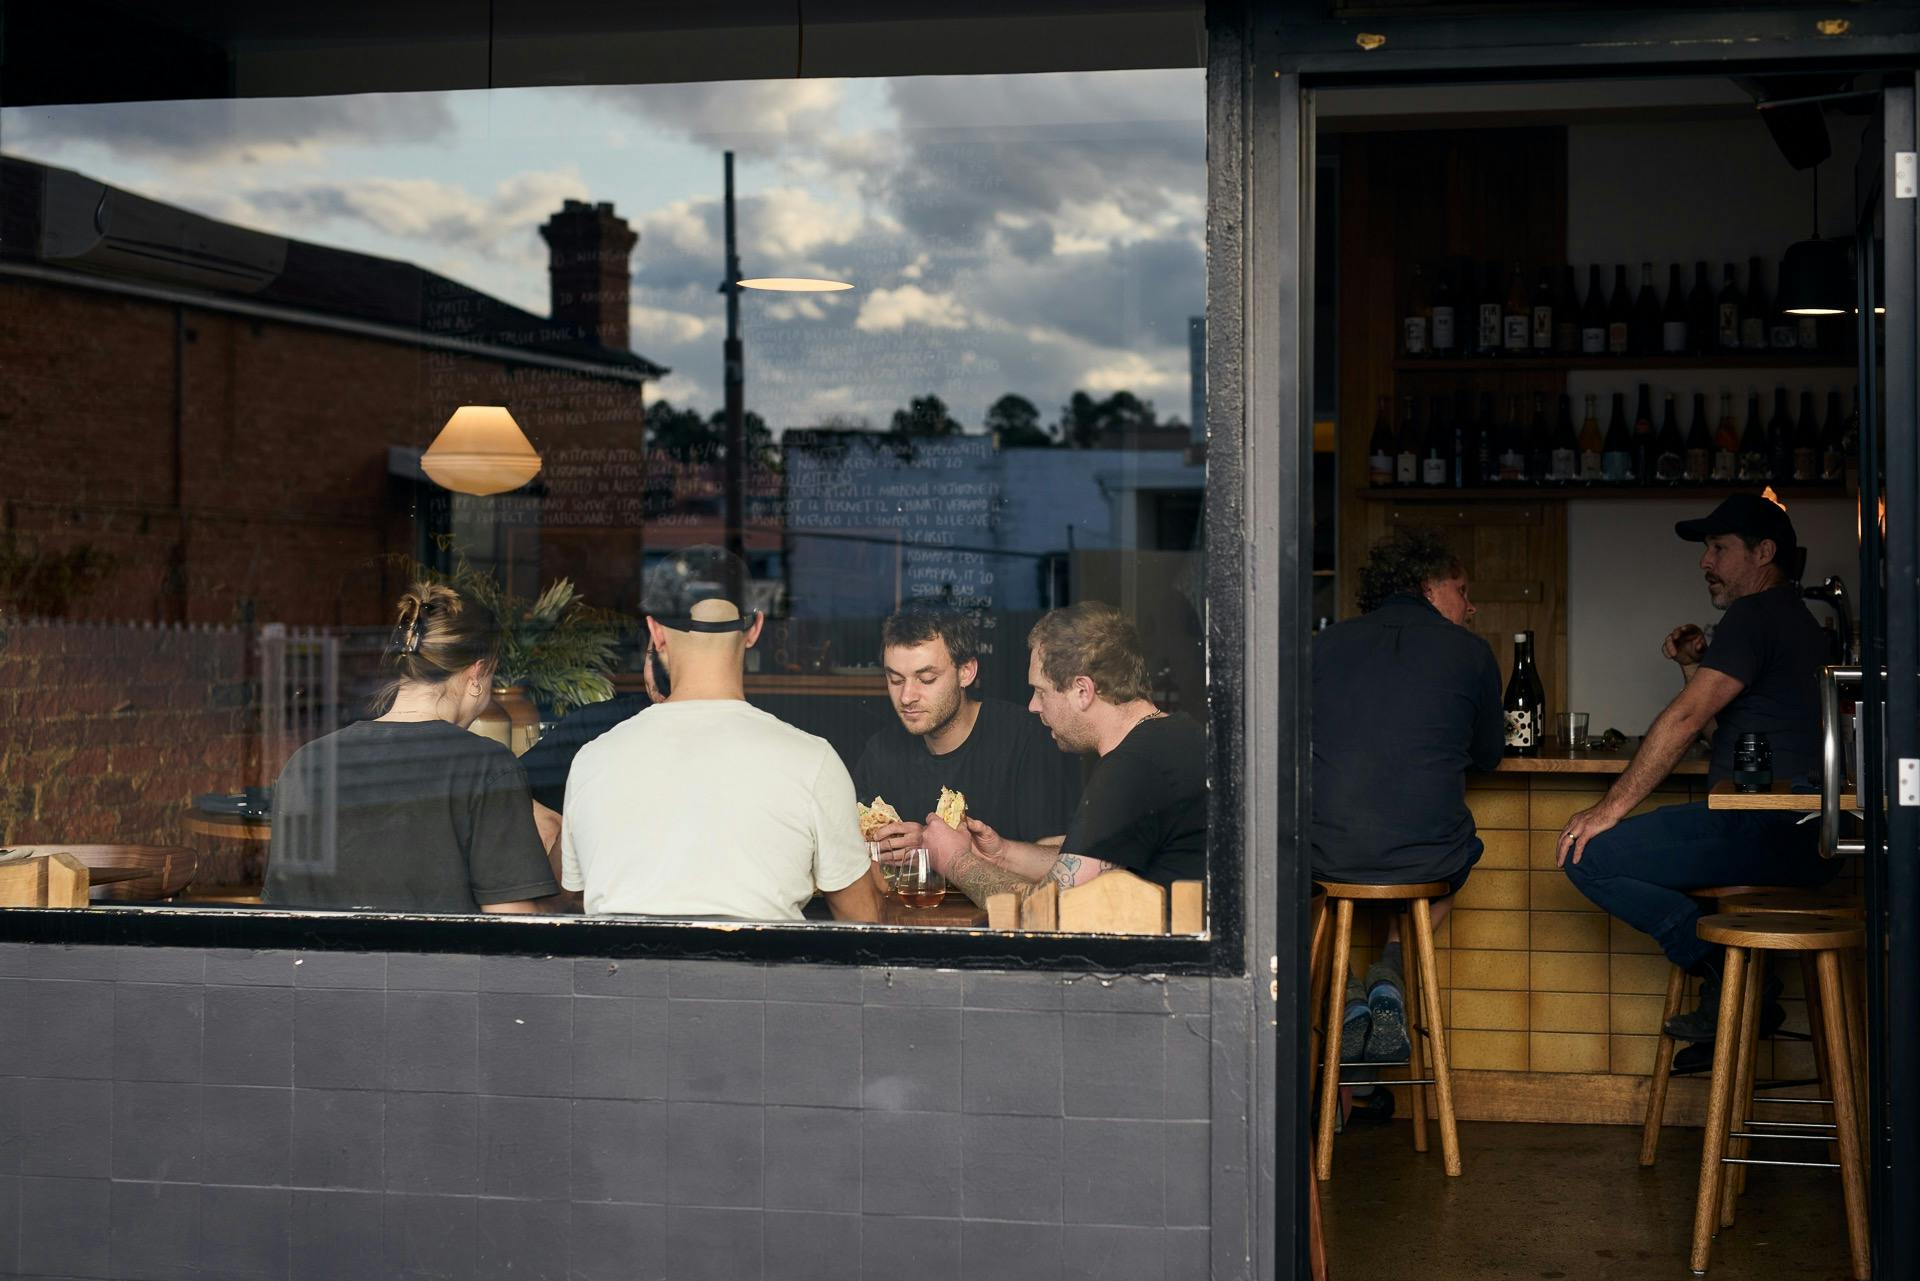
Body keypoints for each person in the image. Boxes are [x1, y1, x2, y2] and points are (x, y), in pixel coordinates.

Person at [1560, 494, 1830, 1045]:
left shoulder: (1753, 615)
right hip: (1798, 834)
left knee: (1586, 855)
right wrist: (1692, 666)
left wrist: (1607, 809)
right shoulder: (1793, 617)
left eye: (1718, 548)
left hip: (1764, 828)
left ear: (1764, 553)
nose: (1705, 562)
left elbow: (1686, 721)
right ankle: (1734, 983)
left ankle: (1727, 974)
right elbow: (1717, 730)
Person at [559, 546, 881, 922]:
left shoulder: (592, 760)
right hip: (761, 979)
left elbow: (572, 899)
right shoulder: (813, 762)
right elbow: (863, 925)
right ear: (756, 629)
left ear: (656, 632)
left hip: (619, 981)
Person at [1312, 527, 1504, 1064]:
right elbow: (1490, 756)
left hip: (1327, 853)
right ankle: (1391, 969)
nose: (1471, 605)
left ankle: (1346, 987)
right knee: (1467, 848)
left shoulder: (1320, 646)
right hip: (1430, 855)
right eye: (1462, 591)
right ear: (1428, 585)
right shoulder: (1470, 653)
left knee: (1298, 877)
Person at [264, 582, 560, 913]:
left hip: (326, 965)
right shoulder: (487, 767)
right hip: (441, 965)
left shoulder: (309, 762)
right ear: (477, 672)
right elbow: (512, 929)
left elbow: (282, 916)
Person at [924, 601, 1205, 903]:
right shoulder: (1176, 738)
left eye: (1041, 691)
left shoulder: (1129, 769)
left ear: (1083, 691)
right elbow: (1088, 864)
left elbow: (1049, 913)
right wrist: (1002, 854)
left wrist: (954, 861)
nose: (1033, 706)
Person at [853, 604, 1081, 863]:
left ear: (966, 672)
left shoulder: (1025, 738)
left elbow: (1061, 864)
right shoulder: (881, 751)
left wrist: (933, 847)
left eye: (926, 679)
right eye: (895, 679)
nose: (906, 697)